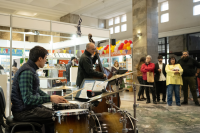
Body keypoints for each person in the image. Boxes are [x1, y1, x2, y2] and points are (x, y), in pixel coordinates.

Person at [11, 46, 67, 133]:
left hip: (27, 109)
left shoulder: (31, 69)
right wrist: (50, 99)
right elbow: (28, 100)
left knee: (55, 112)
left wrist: (52, 97)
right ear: (40, 58)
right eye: (45, 58)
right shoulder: (27, 72)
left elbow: (37, 90)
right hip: (23, 112)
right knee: (56, 116)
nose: (46, 60)